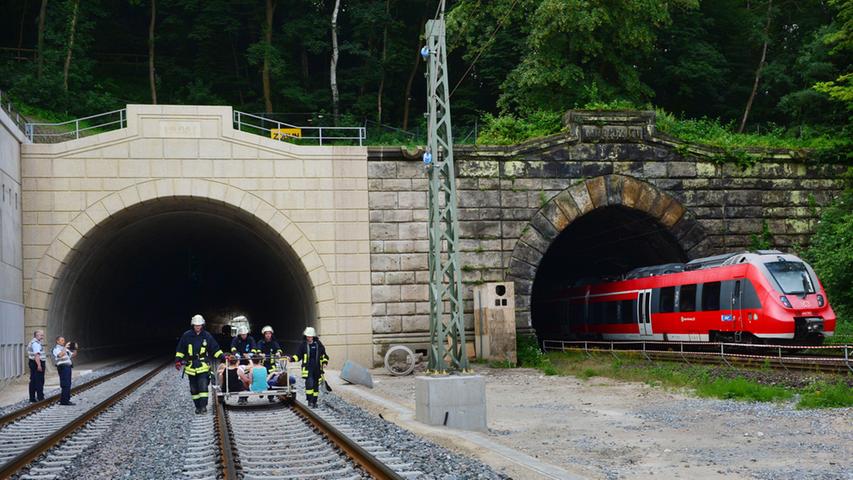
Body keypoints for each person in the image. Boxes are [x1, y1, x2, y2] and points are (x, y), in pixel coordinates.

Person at [175, 314, 224, 414]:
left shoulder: (207, 336)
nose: (198, 327)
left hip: (202, 366)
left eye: (199, 325)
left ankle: (203, 406)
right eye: (196, 325)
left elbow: (214, 349)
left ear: (202, 325)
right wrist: (178, 360)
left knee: (203, 387)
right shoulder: (186, 335)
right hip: (191, 366)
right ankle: (197, 406)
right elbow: (180, 349)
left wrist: (222, 356)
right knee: (194, 389)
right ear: (192, 325)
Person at [292, 327, 328, 407]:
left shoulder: (318, 344)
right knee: (309, 384)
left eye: (311, 336)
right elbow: (298, 355)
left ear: (313, 336)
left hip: (317, 368)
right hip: (308, 369)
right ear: (305, 336)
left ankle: (314, 401)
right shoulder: (303, 345)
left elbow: (324, 354)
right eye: (308, 336)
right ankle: (309, 400)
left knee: (315, 386)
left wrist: (325, 362)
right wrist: (292, 359)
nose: (309, 338)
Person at [52, 336, 77, 406]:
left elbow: (73, 355)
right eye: (62, 340)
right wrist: (65, 347)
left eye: (64, 340)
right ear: (57, 341)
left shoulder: (64, 349)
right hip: (62, 367)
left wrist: (75, 348)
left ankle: (64, 399)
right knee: (65, 384)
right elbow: (60, 355)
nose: (64, 342)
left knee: (68, 383)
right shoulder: (56, 349)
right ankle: (65, 401)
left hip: (68, 367)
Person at [27, 330, 46, 403]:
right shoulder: (36, 344)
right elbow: (37, 355)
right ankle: (40, 397)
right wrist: (39, 365)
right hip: (37, 363)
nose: (42, 337)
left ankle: (32, 398)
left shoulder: (33, 342)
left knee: (33, 380)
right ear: (36, 335)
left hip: (33, 363)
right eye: (41, 335)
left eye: (42, 335)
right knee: (39, 381)